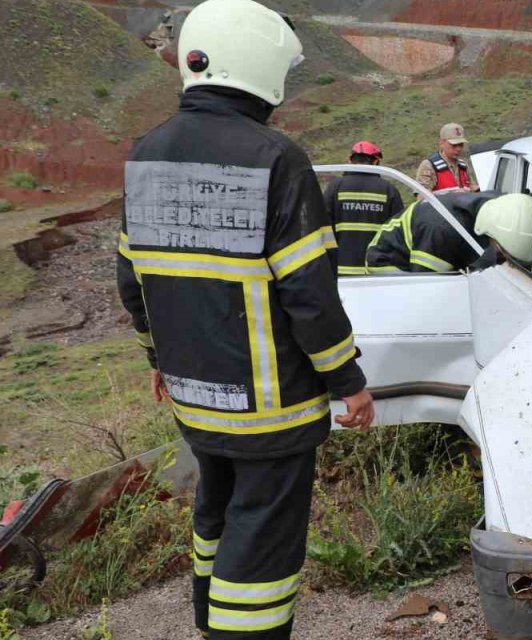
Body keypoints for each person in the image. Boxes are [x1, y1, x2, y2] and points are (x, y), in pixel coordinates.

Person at [115, 1, 374, 637]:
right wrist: (349, 382)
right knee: (262, 540)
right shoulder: (276, 159)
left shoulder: (146, 153)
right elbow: (309, 295)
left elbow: (133, 281)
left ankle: (210, 623)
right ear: (261, 67)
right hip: (270, 405)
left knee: (218, 512)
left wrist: (157, 360)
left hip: (193, 396)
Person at [366, 193, 532, 272]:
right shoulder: (441, 231)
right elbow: (425, 285)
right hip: (388, 261)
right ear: (490, 232)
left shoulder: (503, 207)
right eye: (503, 251)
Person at [323, 141, 403, 275]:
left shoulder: (334, 188)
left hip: (340, 270)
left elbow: (322, 226)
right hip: (375, 271)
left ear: (349, 161)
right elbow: (398, 234)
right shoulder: (389, 190)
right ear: (376, 162)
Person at [416, 123, 476, 194]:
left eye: (461, 144)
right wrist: (450, 194)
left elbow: (472, 186)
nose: (458, 149)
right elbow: (422, 197)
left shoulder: (463, 165)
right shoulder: (429, 165)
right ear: (441, 143)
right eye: (454, 145)